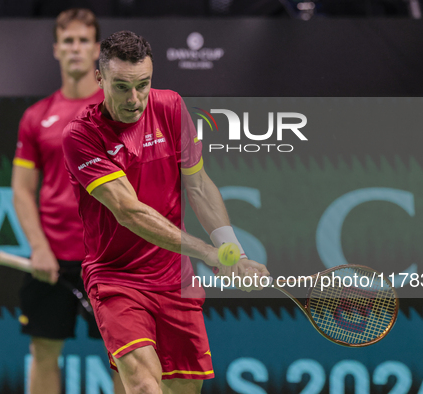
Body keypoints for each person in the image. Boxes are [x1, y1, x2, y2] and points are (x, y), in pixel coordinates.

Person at [62, 30, 270, 394]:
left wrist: (233, 251)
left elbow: (199, 185)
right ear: (100, 78)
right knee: (143, 385)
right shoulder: (81, 136)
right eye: (122, 86)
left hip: (176, 281)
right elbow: (130, 212)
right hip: (117, 278)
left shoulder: (170, 107)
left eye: (143, 84)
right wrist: (210, 253)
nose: (135, 98)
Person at [11, 9, 124, 394]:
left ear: (96, 50)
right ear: (57, 49)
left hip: (108, 259)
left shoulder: (116, 110)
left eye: (83, 41)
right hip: (52, 259)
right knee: (43, 351)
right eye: (68, 41)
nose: (75, 48)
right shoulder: (36, 117)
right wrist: (39, 248)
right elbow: (23, 189)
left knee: (124, 358)